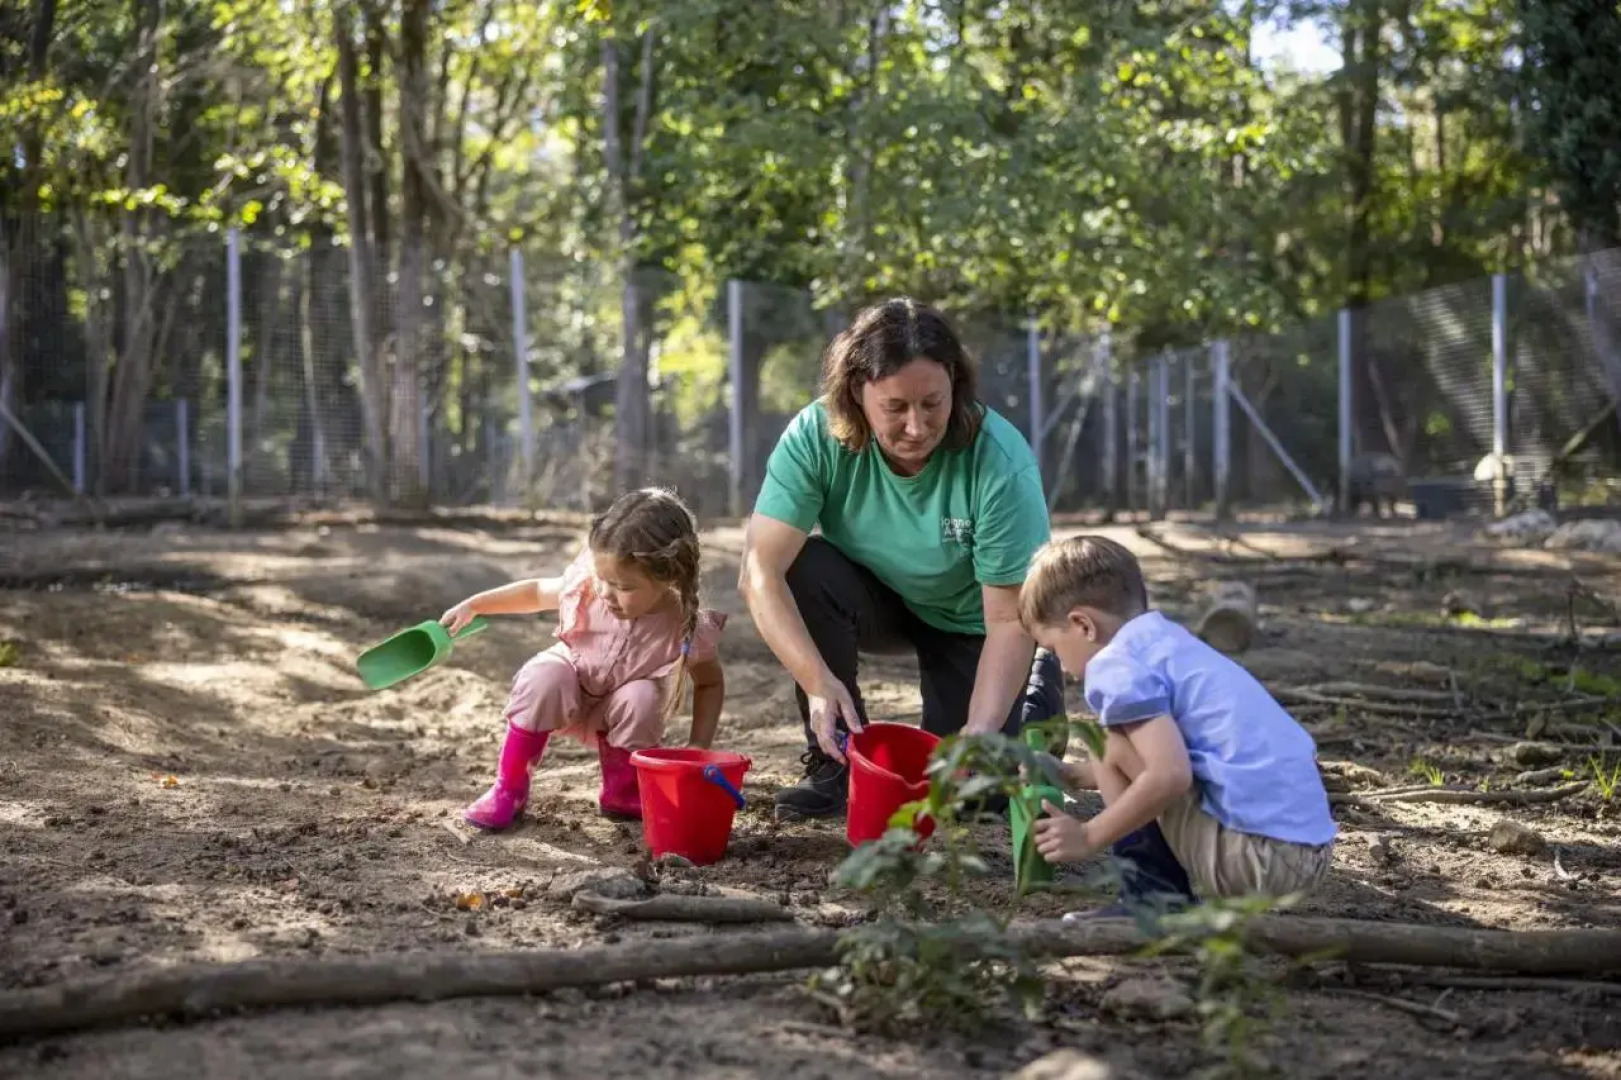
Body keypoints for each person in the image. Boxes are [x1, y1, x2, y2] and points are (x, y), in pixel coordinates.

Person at [738, 296, 1064, 821]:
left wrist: (978, 734)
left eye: (932, 403)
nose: (917, 426)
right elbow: (760, 573)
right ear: (855, 395)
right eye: (895, 407)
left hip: (973, 621)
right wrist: (815, 682)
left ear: (954, 385)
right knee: (802, 566)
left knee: (975, 794)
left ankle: (1036, 682)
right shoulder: (814, 437)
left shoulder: (1000, 462)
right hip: (878, 596)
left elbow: (1006, 618)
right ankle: (836, 761)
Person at [1018, 535, 1337, 915]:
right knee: (1115, 740)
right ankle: (1159, 896)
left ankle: (1149, 898)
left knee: (1105, 738)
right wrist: (1071, 775)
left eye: (1055, 650)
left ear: (1083, 625)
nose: (1066, 672)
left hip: (1259, 858)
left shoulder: (1113, 665)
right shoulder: (1167, 643)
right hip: (1306, 851)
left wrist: (1089, 835)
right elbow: (1162, 756)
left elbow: (1170, 775)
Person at [441, 488, 727, 830]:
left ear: (669, 577)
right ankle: (509, 788)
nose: (607, 593)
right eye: (602, 579)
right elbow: (534, 592)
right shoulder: (587, 587)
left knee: (644, 697)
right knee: (544, 674)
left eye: (624, 587)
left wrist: (697, 747)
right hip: (566, 691)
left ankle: (622, 792)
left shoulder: (683, 623)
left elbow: (710, 683)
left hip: (619, 714)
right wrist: (475, 605)